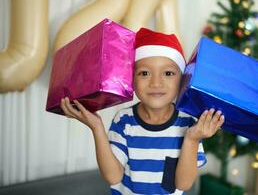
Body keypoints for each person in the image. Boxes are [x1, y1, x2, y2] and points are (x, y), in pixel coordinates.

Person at [60, 28, 225, 194]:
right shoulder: (123, 120)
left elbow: (184, 184)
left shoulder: (189, 124)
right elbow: (113, 177)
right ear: (132, 79)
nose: (156, 83)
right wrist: (96, 127)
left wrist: (191, 139)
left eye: (168, 73)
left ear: (181, 80)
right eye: (144, 73)